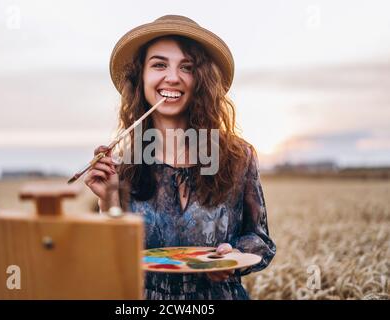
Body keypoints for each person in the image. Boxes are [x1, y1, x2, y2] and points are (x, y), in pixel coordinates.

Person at [85, 15, 276, 300]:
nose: (172, 77)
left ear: (201, 79)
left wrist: (234, 256)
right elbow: (112, 262)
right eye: (159, 64)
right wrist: (108, 200)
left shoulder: (237, 156)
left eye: (186, 67)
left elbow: (260, 240)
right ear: (141, 77)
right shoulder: (123, 167)